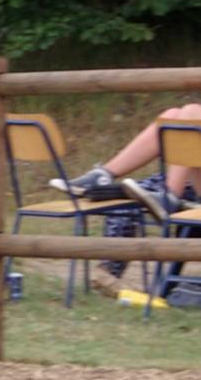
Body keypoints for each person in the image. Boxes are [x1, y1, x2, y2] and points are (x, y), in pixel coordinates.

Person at [50, 103, 201, 296]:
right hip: (188, 185)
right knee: (172, 116)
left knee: (192, 113)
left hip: (189, 189)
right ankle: (103, 174)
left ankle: (169, 195)